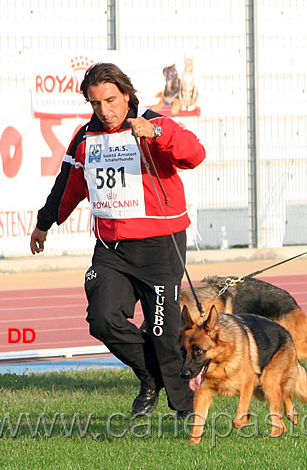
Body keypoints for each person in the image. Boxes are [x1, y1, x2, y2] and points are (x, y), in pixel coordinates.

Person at [30, 62, 206, 416]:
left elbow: (195, 154)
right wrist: (45, 222)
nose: (105, 111)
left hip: (160, 245)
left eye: (111, 100)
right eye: (96, 104)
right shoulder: (85, 137)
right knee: (102, 317)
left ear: (127, 95)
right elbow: (68, 184)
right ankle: (150, 376)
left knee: (163, 332)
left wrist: (157, 134)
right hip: (112, 249)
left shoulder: (154, 122)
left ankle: (188, 412)